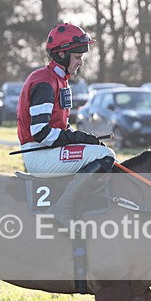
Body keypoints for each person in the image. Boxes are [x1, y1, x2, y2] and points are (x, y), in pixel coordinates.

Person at [16, 23, 116, 227]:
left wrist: (80, 137)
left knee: (99, 150)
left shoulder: (58, 80)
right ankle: (63, 209)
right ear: (62, 54)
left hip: (46, 151)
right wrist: (77, 137)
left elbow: (60, 128)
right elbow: (41, 133)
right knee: (106, 156)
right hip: (39, 155)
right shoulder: (45, 82)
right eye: (77, 57)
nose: (81, 62)